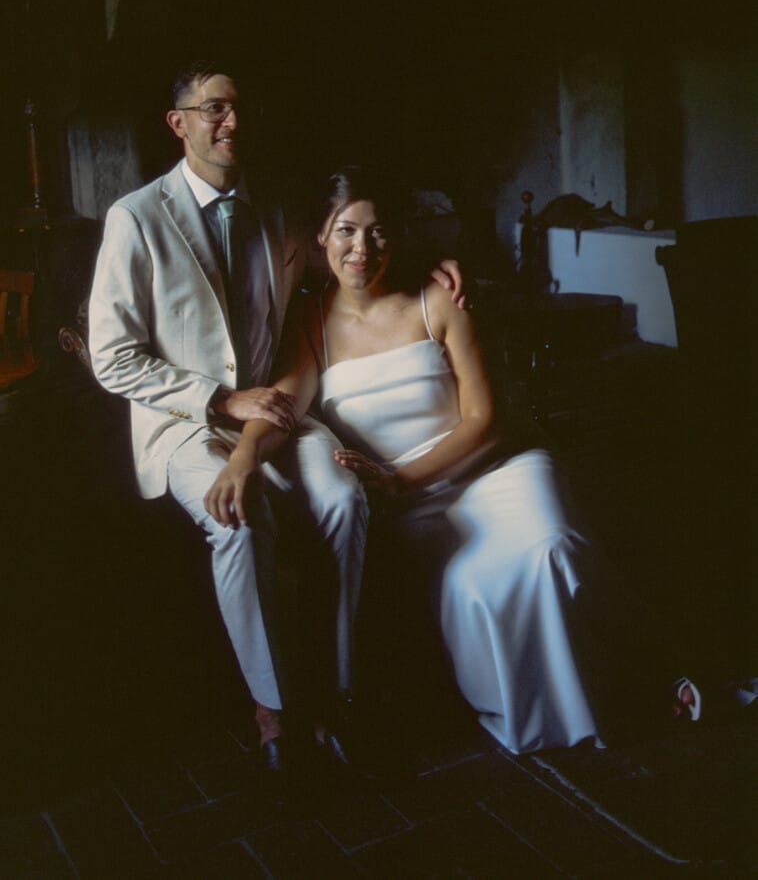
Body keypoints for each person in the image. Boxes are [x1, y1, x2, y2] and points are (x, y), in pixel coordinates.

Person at [87, 65, 465, 776]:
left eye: (240, 110)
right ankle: (275, 712)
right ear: (180, 123)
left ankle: (343, 689)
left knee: (346, 499)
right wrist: (219, 400)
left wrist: (433, 262)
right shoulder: (135, 218)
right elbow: (111, 358)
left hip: (281, 410)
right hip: (185, 422)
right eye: (215, 110)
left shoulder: (276, 207)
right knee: (238, 511)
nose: (232, 124)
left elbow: (350, 251)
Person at [205, 164, 641, 756]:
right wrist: (244, 457)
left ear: (399, 235)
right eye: (346, 231)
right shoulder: (311, 323)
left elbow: (485, 419)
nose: (363, 248)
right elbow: (281, 406)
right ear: (321, 238)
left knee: (548, 546)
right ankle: (550, 716)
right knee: (473, 584)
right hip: (412, 508)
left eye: (378, 231)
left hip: (491, 471)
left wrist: (398, 479)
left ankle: (625, 689)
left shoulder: (439, 297)